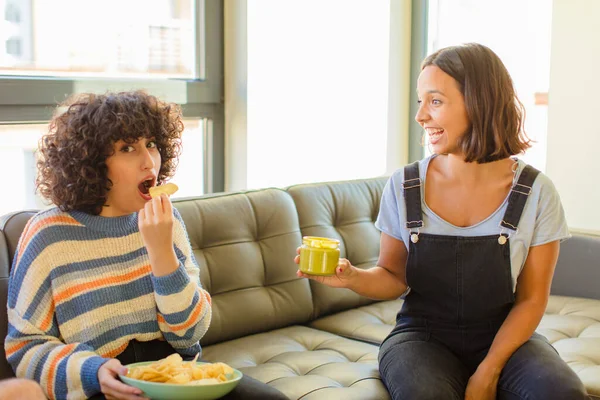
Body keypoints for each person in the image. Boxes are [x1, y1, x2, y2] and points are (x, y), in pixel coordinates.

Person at [295, 43, 590, 400]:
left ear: (480, 102)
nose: (420, 116)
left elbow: (531, 300)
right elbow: (393, 277)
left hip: (503, 336)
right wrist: (351, 277)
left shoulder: (536, 192)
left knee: (562, 392)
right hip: (421, 338)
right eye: (420, 102)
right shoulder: (405, 186)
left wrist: (489, 369)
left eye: (435, 101)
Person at [5, 91, 287, 400]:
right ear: (91, 163)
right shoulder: (48, 234)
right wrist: (92, 371)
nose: (148, 161)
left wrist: (162, 252)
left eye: (151, 144)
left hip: (178, 375)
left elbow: (189, 335)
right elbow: (26, 347)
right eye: (127, 148)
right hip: (102, 387)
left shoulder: (167, 221)